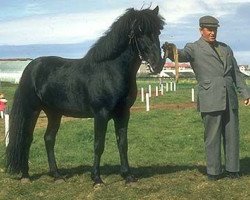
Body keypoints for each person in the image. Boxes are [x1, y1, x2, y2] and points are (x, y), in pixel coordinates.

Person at [163, 15, 250, 180]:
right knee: (212, 137)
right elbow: (180, 55)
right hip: (210, 97)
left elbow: (236, 73)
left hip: (230, 98)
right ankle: (214, 171)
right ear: (200, 30)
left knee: (232, 135)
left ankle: (233, 170)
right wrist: (169, 50)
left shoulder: (226, 48)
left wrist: (245, 93)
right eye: (209, 29)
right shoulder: (193, 48)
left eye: (215, 29)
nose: (212, 32)